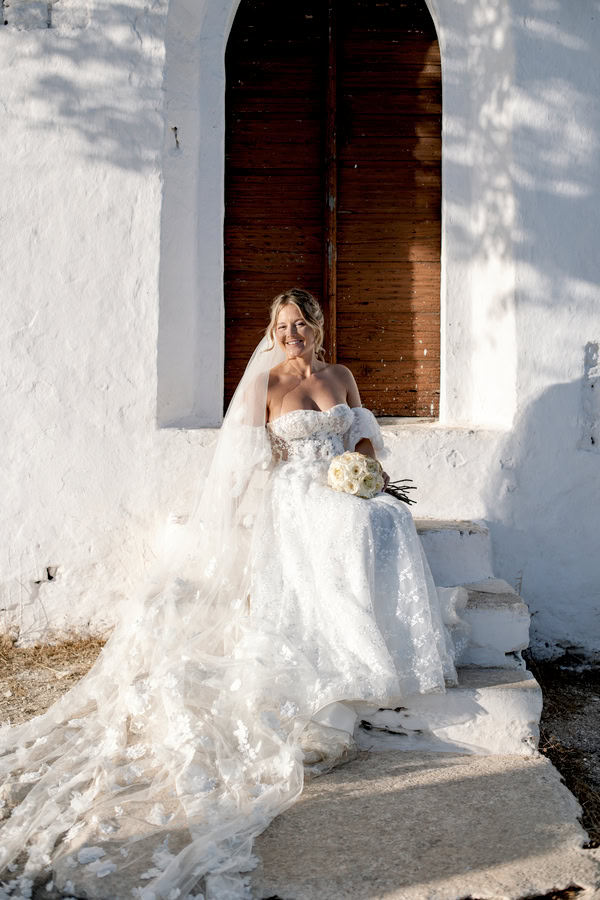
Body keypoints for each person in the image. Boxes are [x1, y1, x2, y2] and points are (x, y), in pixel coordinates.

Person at [0, 288, 468, 900]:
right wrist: (239, 517)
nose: (292, 333)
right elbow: (245, 458)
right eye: (282, 325)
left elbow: (365, 433)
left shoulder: (341, 375)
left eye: (302, 323)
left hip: (343, 481)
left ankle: (386, 634)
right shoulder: (265, 386)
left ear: (318, 328)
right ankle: (343, 637)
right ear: (271, 332)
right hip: (297, 491)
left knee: (386, 518)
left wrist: (364, 469)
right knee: (351, 524)